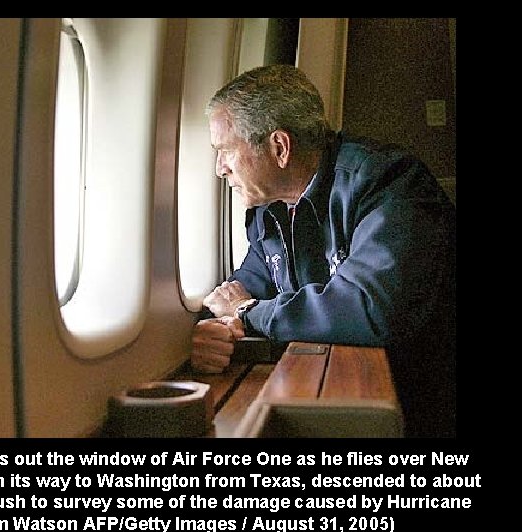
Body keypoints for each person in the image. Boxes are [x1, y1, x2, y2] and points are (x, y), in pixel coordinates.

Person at [190, 64, 456, 438]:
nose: (220, 169)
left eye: (224, 151)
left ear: (279, 147)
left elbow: (370, 307)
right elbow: (241, 289)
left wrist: (248, 313)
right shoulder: (270, 210)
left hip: (421, 405)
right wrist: (215, 330)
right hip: (343, 383)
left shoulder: (389, 184)